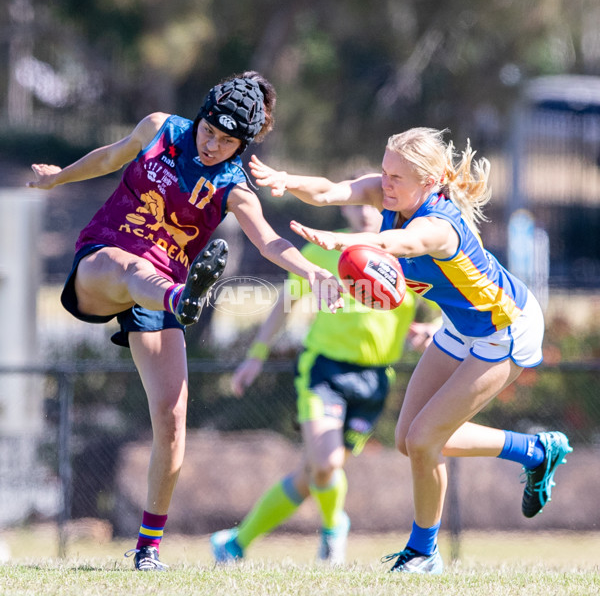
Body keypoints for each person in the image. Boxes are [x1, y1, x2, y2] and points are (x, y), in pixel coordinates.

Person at [26, 71, 343, 572]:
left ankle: (147, 549)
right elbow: (109, 158)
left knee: (173, 423)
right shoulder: (159, 129)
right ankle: (181, 296)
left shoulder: (234, 188)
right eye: (208, 131)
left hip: (162, 294)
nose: (213, 143)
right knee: (130, 268)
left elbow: (267, 241)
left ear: (244, 143)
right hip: (103, 263)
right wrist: (56, 177)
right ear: (199, 116)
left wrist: (313, 270)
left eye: (227, 140)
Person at [245, 127, 572, 574]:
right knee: (407, 441)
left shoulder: (438, 226)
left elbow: (394, 245)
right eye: (384, 171)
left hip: (504, 328)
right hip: (461, 327)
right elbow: (331, 191)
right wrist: (287, 179)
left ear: (430, 181)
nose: (386, 183)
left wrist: (339, 242)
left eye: (397, 176)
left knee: (423, 440)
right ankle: (535, 451)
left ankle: (423, 554)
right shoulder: (390, 196)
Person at [210, 202, 440, 565]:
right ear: (345, 209)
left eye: (378, 202)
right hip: (325, 370)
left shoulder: (406, 258)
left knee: (313, 474)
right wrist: (256, 354)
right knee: (327, 464)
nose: (367, 211)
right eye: (358, 203)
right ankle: (334, 531)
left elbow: (448, 308)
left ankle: (234, 544)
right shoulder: (320, 252)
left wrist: (431, 330)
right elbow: (286, 303)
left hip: (376, 377)